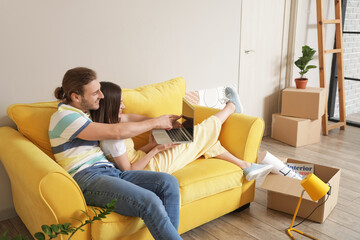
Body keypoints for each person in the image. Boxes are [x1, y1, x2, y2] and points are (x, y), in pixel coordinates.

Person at [49, 67, 182, 240]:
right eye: (96, 92)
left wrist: (163, 121)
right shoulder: (64, 118)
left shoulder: (85, 113)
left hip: (111, 172)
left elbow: (127, 118)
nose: (101, 96)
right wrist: (155, 122)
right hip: (87, 178)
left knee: (168, 183)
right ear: (76, 96)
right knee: (150, 201)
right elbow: (117, 131)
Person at [91, 81, 273, 180]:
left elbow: (135, 141)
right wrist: (155, 149)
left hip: (146, 158)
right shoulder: (111, 138)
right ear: (110, 106)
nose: (124, 105)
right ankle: (231, 107)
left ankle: (245, 166)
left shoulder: (114, 121)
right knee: (200, 133)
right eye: (120, 103)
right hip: (152, 168)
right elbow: (129, 171)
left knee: (197, 138)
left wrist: (162, 126)